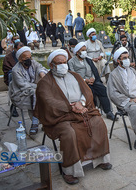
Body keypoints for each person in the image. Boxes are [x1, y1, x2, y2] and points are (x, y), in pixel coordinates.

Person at [34, 49, 112, 185]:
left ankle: (100, 159)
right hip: (60, 117)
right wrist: (70, 107)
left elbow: (87, 92)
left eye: (65, 62)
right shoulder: (44, 82)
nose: (63, 65)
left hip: (81, 110)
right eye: (59, 63)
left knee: (98, 122)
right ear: (51, 65)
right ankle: (69, 170)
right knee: (69, 133)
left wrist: (81, 103)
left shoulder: (75, 76)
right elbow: (48, 101)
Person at [69, 42, 117, 121]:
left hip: (92, 81)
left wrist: (93, 78)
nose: (85, 52)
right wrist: (84, 80)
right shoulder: (71, 62)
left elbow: (93, 71)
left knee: (103, 90)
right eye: (83, 50)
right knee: (90, 92)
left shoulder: (87, 60)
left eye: (85, 50)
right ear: (77, 52)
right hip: (81, 83)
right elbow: (72, 74)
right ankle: (93, 112)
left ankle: (108, 112)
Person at [9, 47, 47, 135]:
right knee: (38, 96)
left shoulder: (33, 63)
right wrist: (38, 87)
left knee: (43, 96)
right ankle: (37, 122)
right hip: (20, 94)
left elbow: (40, 68)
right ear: (20, 59)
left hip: (35, 92)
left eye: (30, 57)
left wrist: (41, 73)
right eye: (26, 58)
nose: (29, 60)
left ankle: (39, 122)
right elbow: (23, 85)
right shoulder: (16, 70)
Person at [3, 41, 24, 117]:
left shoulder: (26, 56)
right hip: (14, 79)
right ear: (14, 49)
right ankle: (14, 105)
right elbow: (7, 70)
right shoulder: (8, 57)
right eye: (18, 49)